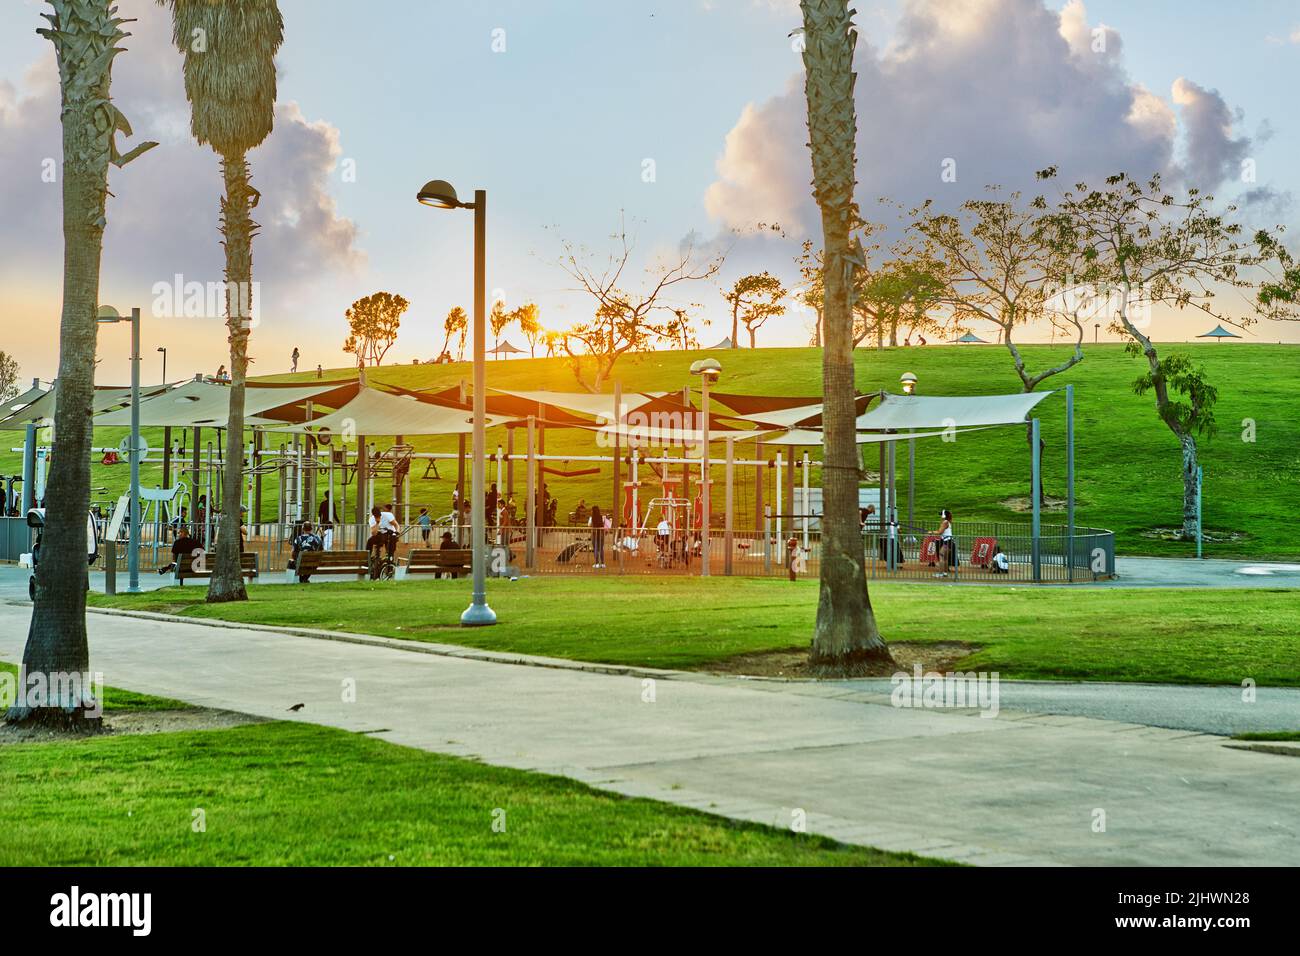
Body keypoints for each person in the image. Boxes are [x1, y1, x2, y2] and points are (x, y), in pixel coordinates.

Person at [934, 508, 956, 578]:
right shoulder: (947, 522)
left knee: (941, 556)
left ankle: (940, 573)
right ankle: (945, 573)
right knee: (945, 558)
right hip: (949, 542)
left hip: (947, 542)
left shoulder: (945, 522)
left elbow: (939, 532)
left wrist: (931, 532)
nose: (940, 516)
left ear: (944, 515)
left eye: (941, 515)